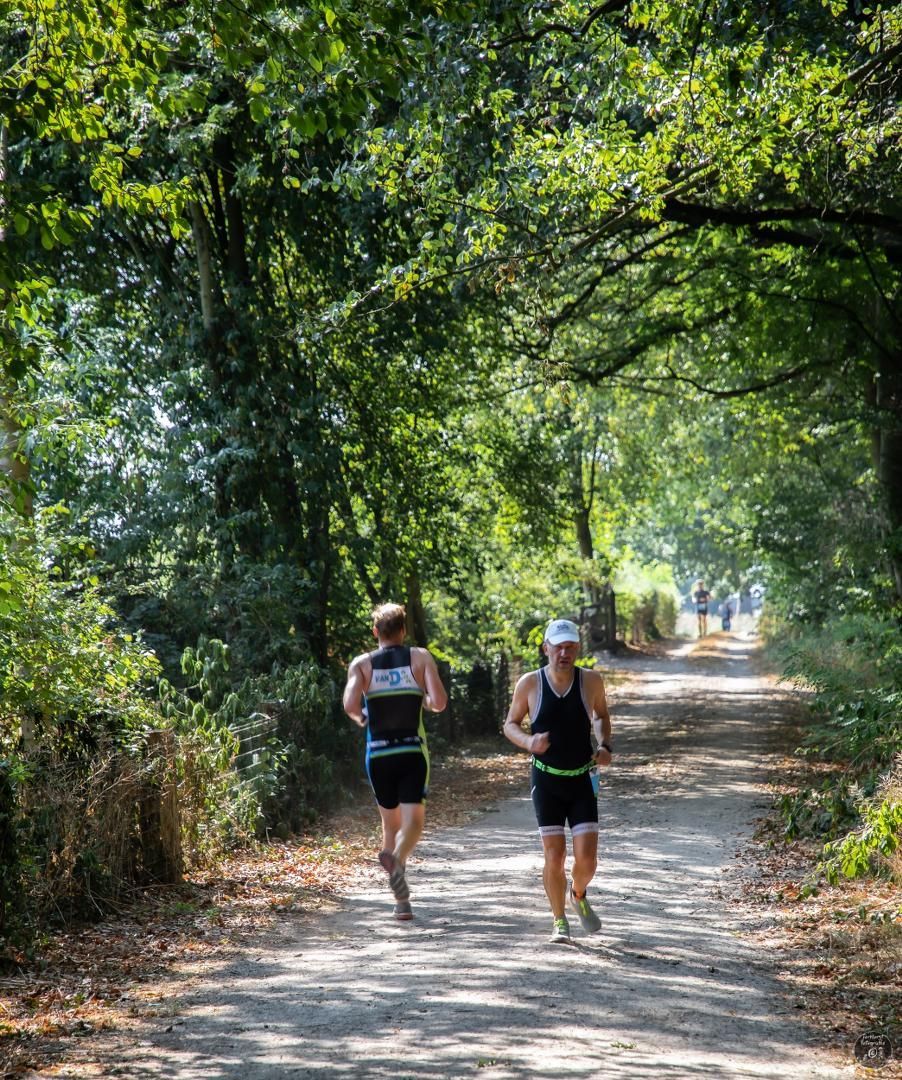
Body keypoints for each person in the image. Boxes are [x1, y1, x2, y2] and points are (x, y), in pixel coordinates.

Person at [503, 618, 613, 945]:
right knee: (554, 855)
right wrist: (528, 742)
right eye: (558, 646)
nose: (564, 653)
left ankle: (578, 894)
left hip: (581, 779)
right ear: (546, 648)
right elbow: (510, 724)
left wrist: (605, 745)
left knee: (587, 859)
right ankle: (559, 919)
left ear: (578, 649)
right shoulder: (530, 683)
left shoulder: (591, 681)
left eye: (571, 647)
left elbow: (601, 716)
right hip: (546, 779)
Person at [343, 602, 448, 921]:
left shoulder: (362, 664)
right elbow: (439, 702)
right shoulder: (419, 657)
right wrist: (425, 701)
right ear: (404, 630)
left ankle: (401, 901)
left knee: (390, 823)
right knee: (413, 822)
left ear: (376, 632)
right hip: (411, 752)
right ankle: (396, 857)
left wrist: (362, 717)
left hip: (378, 754)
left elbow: (349, 703)